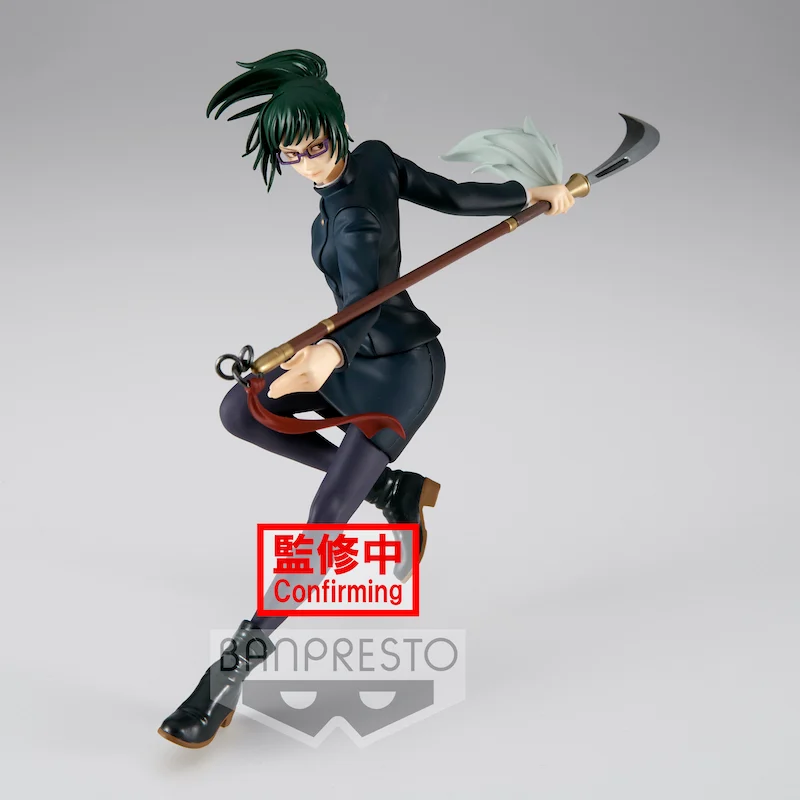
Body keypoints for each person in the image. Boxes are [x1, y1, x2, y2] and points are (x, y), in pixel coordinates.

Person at [157, 48, 573, 749]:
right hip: (355, 354)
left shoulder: (353, 217)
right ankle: (392, 488)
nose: (308, 165)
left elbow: (364, 295)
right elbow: (447, 195)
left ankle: (228, 674)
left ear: (336, 129)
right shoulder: (372, 160)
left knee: (324, 520)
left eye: (315, 147)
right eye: (291, 155)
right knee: (242, 409)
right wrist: (526, 194)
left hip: (402, 370)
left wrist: (329, 353)